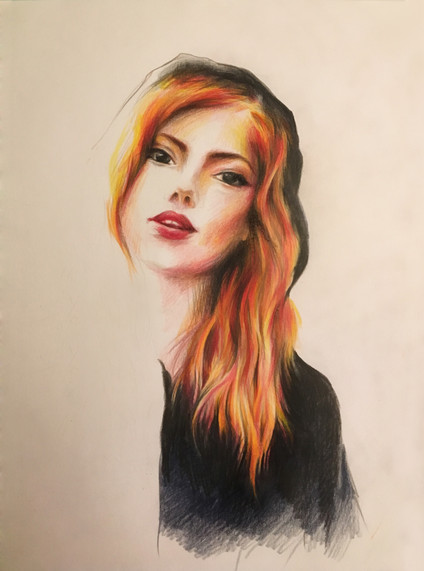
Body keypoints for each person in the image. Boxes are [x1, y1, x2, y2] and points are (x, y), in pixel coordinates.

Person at [108, 54, 360, 558]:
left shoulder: (297, 402)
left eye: (227, 176)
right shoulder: (54, 367)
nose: (183, 189)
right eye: (162, 155)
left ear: (256, 220)